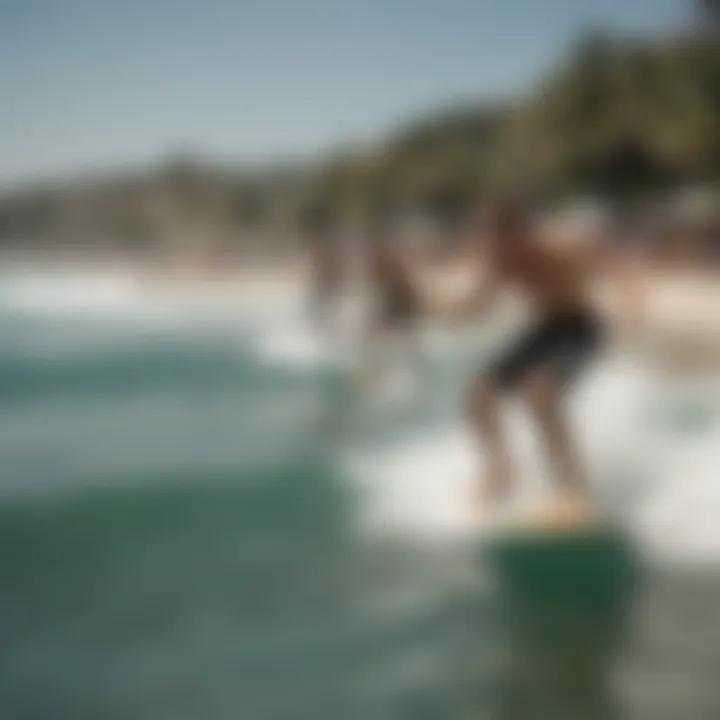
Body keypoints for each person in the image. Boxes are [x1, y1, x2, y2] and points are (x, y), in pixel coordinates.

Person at [448, 196, 618, 521]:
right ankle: (501, 472)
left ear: (522, 230)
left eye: (505, 235)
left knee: (539, 390)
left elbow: (599, 255)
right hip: (543, 328)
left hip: (579, 328)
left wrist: (628, 284)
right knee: (476, 395)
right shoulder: (501, 260)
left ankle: (573, 486)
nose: (498, 243)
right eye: (493, 236)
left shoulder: (554, 249)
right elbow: (477, 303)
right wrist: (450, 310)